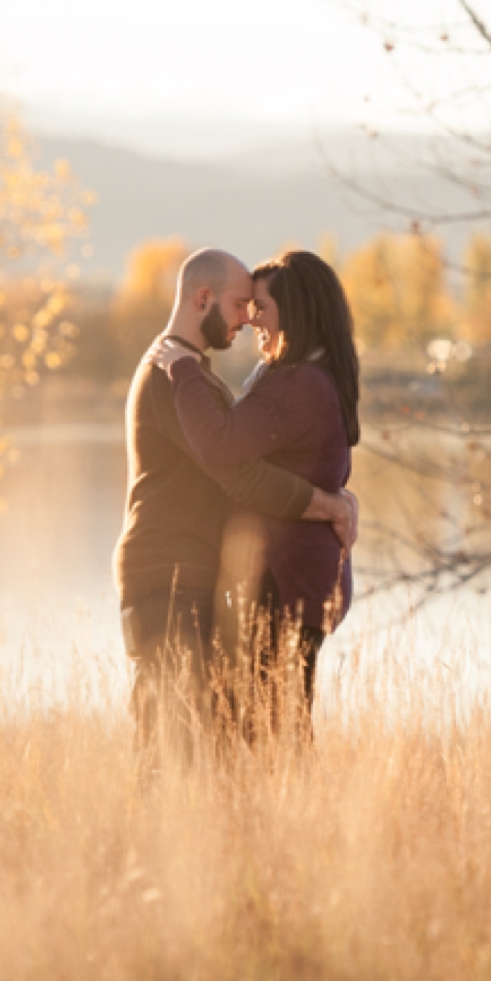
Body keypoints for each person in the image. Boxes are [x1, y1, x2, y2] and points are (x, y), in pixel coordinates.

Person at [115, 248, 357, 775]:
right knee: (172, 747)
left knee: (212, 743)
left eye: (256, 306)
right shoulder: (170, 376)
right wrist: (329, 505)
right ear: (203, 299)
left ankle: (236, 841)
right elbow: (239, 475)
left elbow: (242, 458)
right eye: (241, 304)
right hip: (168, 577)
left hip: (192, 578)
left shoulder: (193, 377)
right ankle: (152, 851)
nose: (248, 319)